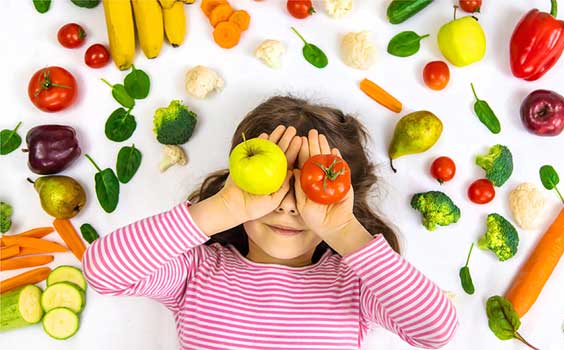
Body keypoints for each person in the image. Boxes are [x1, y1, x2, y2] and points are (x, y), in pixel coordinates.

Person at [83, 96, 458, 350]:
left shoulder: (355, 287)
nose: (290, 207)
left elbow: (436, 330)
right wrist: (225, 208)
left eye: (311, 192)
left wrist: (343, 230)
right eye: (273, 188)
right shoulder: (197, 272)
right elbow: (103, 270)